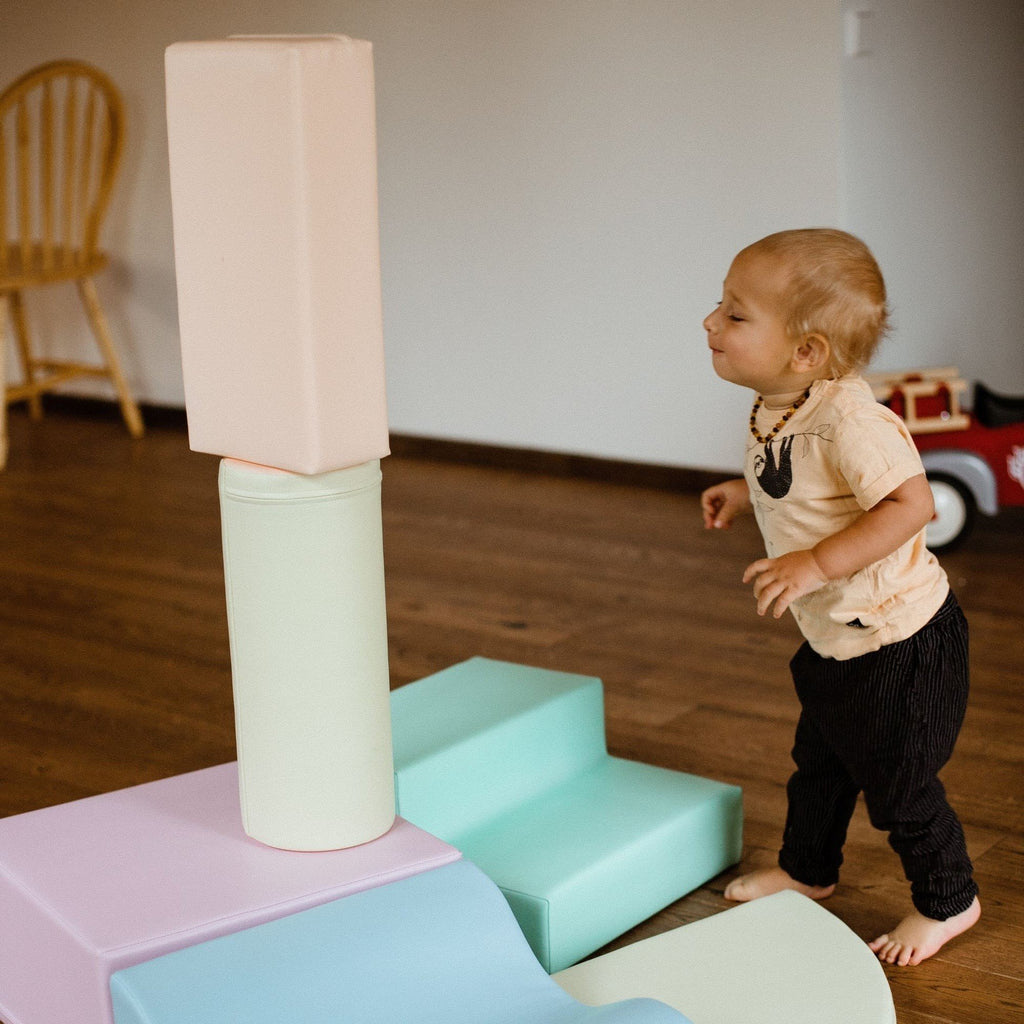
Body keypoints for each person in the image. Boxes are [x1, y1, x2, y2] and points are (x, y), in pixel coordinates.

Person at [700, 228, 980, 966]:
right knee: (818, 767)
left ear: (808, 352)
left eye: (734, 314)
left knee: (900, 787)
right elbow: (803, 489)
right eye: (718, 308)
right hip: (836, 639)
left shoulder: (852, 420)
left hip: (901, 642)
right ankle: (807, 871)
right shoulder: (778, 404)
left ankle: (950, 901)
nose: (709, 324)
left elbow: (909, 505)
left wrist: (815, 563)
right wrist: (744, 495)